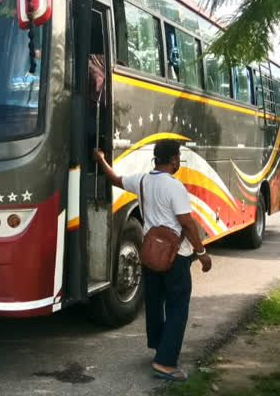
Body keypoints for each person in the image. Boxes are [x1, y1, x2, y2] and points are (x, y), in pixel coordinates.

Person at [93, 139, 212, 382]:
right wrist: (201, 253)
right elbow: (187, 223)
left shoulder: (143, 180)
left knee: (155, 303)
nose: (179, 160)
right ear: (173, 159)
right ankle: (166, 362)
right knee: (178, 307)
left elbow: (115, 179)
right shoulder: (174, 186)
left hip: (151, 254)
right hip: (175, 257)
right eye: (178, 157)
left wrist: (101, 159)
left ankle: (160, 346)